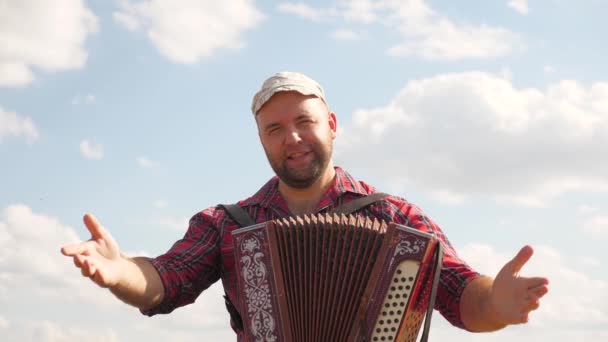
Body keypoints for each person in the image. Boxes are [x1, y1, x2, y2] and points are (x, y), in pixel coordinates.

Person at [61, 71, 549, 339]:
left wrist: (497, 305)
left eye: (304, 121)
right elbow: (165, 280)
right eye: (274, 129)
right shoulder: (226, 225)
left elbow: (464, 298)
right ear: (260, 140)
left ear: (332, 124)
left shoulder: (397, 218)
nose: (292, 138)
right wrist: (120, 271)